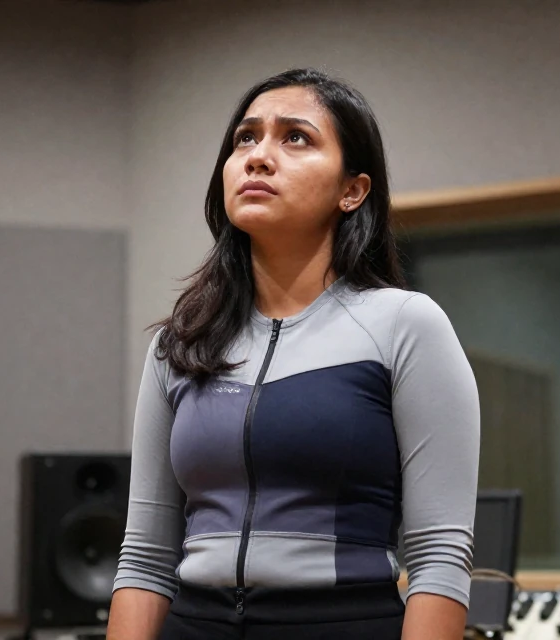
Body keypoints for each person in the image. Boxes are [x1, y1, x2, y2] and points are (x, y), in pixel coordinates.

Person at [106, 68, 480, 640]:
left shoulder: (405, 324)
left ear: (352, 190)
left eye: (296, 137)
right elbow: (145, 556)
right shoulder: (179, 343)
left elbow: (438, 556)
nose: (258, 156)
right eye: (245, 138)